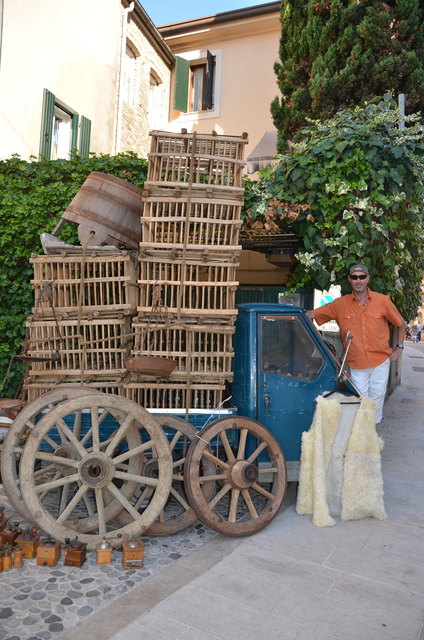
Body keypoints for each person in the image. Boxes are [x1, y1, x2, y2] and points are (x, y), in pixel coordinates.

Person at [307, 264, 406, 423]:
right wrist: (318, 340)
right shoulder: (340, 304)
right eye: (354, 277)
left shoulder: (383, 301)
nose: (358, 280)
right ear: (350, 280)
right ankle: (361, 439)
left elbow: (401, 324)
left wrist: (399, 347)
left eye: (361, 277)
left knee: (376, 401)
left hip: (380, 361)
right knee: (360, 402)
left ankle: (370, 439)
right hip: (356, 363)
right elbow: (309, 316)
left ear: (368, 279)